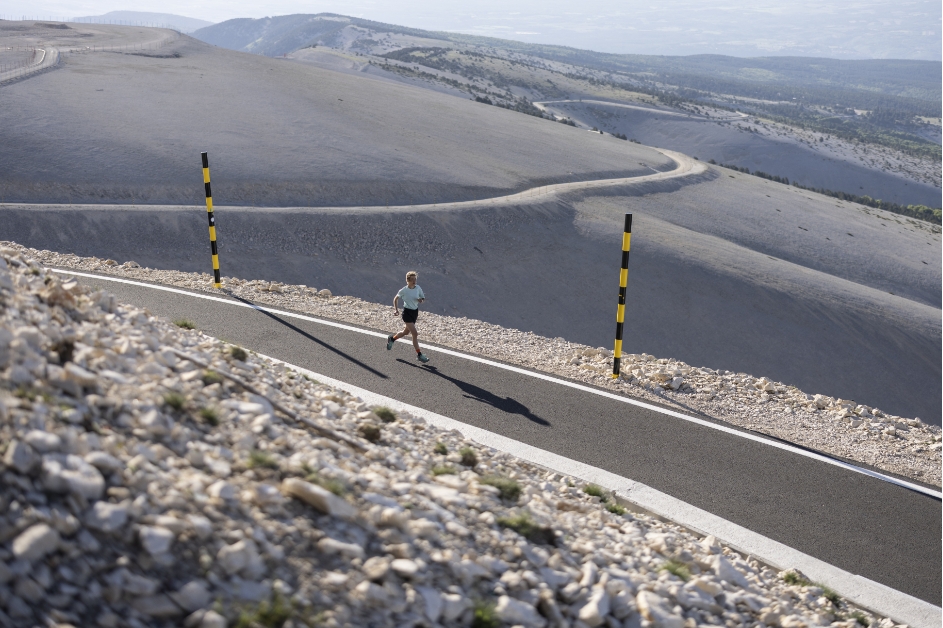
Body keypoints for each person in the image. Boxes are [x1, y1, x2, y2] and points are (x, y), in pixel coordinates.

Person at [387, 271, 430, 362]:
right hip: (407, 313)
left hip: (415, 313)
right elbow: (396, 298)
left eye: (415, 279)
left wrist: (421, 300)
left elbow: (422, 298)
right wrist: (396, 309)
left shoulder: (418, 288)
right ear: (408, 280)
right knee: (414, 333)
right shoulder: (404, 290)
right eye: (412, 280)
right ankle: (419, 354)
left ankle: (392, 338)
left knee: (405, 332)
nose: (414, 281)